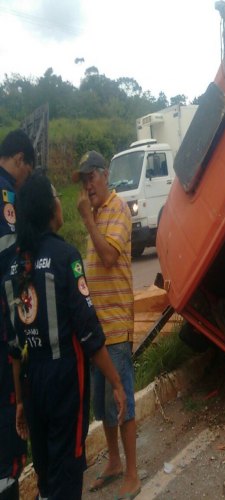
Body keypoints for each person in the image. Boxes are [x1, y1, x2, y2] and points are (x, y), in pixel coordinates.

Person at [3, 172, 126, 499]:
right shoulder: (64, 257)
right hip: (64, 381)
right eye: (57, 196)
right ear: (49, 208)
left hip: (31, 384)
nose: (62, 202)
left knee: (45, 473)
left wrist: (18, 402)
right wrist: (115, 382)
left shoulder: (16, 266)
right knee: (68, 473)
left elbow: (15, 346)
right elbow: (89, 333)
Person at [74, 151, 140, 498]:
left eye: (91, 177)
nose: (88, 185)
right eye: (84, 180)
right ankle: (114, 461)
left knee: (121, 401)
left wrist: (87, 220)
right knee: (103, 406)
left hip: (115, 327)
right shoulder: (96, 213)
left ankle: (132, 472)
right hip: (96, 331)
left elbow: (110, 256)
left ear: (105, 174)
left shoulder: (117, 209)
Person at [0, 130, 35, 500]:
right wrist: (19, 335)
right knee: (9, 427)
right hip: (2, 333)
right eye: (28, 169)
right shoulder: (6, 194)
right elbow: (10, 272)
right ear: (20, 159)